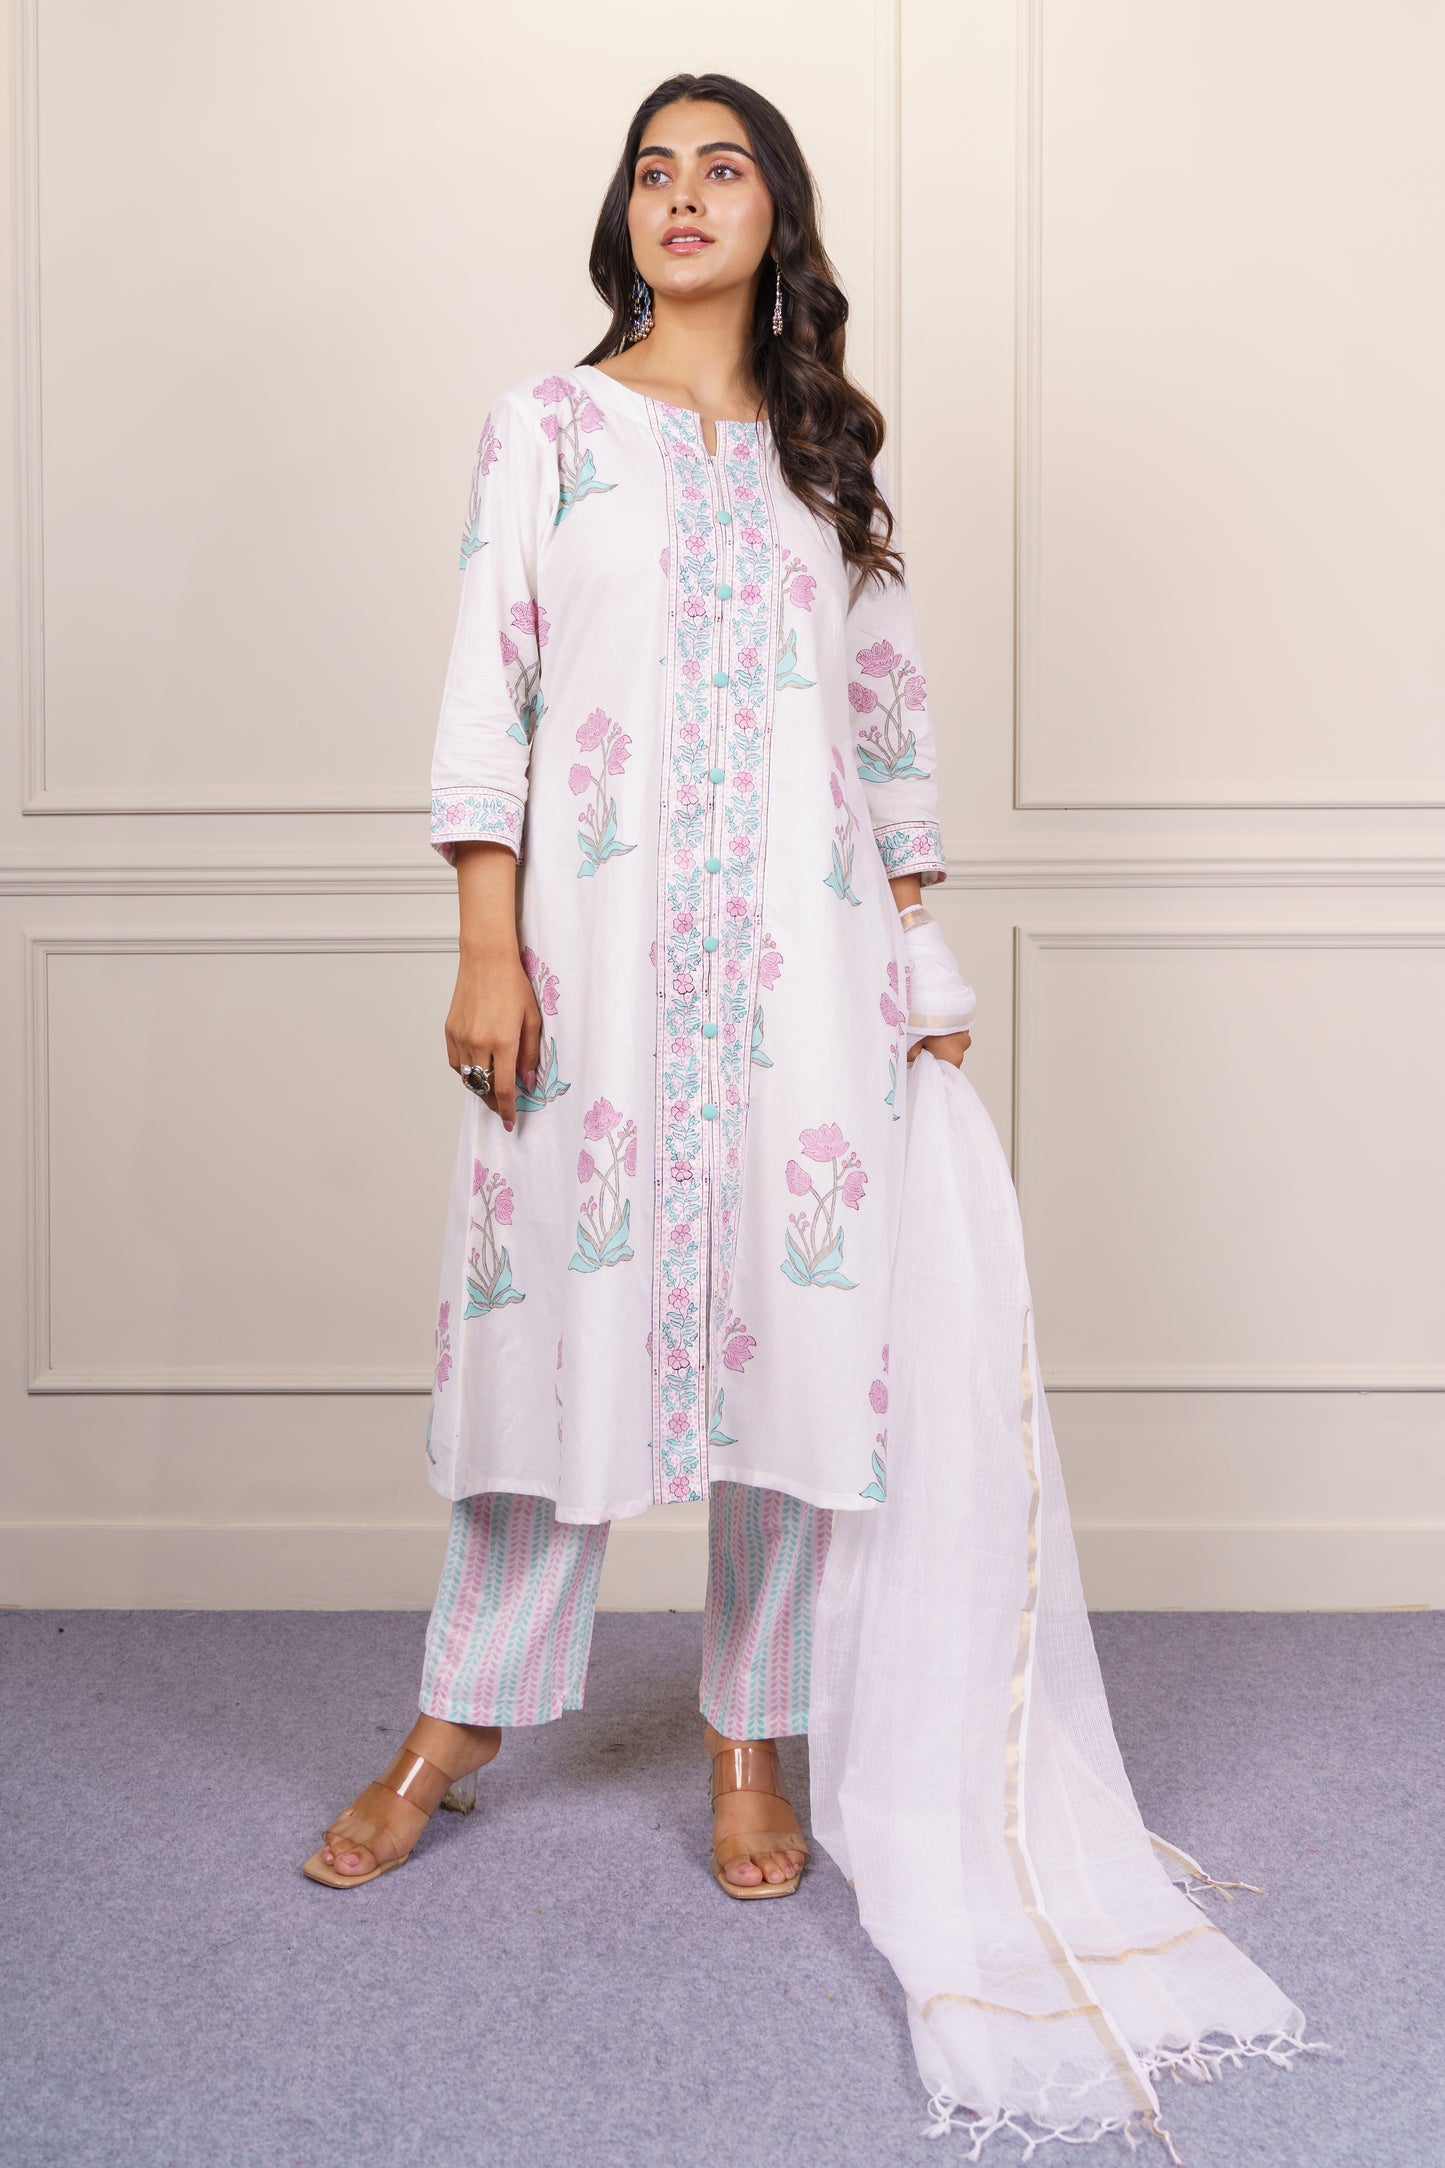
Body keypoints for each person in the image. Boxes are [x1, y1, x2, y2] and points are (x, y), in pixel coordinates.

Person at [302, 69, 977, 1896]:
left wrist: (918, 960)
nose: (682, 194)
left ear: (775, 217)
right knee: (544, 1342)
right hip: (585, 966)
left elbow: (886, 729)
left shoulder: (825, 462)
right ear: (625, 215)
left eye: (722, 168)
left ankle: (750, 1736)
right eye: (653, 170)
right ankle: (458, 1718)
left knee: (799, 1350)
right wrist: (485, 946)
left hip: (806, 977)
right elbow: (490, 688)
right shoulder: (546, 427)